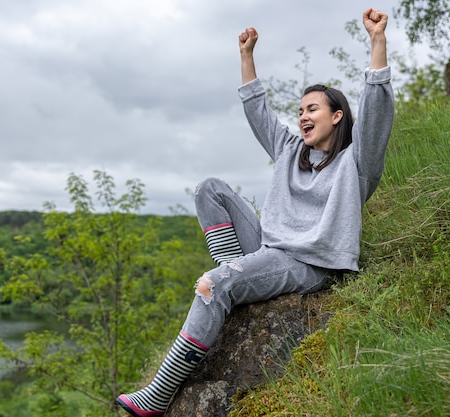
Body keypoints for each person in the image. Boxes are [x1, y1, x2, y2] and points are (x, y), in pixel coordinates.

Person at [116, 8, 394, 417]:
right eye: (300, 110)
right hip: (270, 248)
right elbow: (258, 112)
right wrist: (246, 55)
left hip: (311, 264)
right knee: (209, 188)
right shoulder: (288, 151)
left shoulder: (356, 163)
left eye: (313, 109)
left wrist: (377, 42)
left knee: (213, 284)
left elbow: (376, 116)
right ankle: (236, 275)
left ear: (337, 117)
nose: (302, 116)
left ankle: (159, 394)